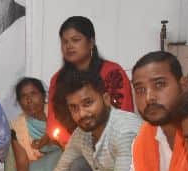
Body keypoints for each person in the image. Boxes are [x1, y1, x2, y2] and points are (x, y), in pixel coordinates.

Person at [46, 16, 134, 148]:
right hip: (71, 148)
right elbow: (54, 123)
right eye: (64, 42)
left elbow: (124, 114)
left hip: (112, 145)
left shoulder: (112, 72)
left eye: (75, 40)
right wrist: (75, 146)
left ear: (91, 42)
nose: (69, 46)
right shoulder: (57, 79)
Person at [0, 77, 63, 171]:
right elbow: (21, 163)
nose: (29, 100)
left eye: (33, 94)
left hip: (62, 161)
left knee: (59, 157)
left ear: (43, 96)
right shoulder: (17, 126)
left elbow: (69, 144)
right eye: (24, 97)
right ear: (19, 102)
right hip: (35, 165)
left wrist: (49, 140)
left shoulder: (58, 115)